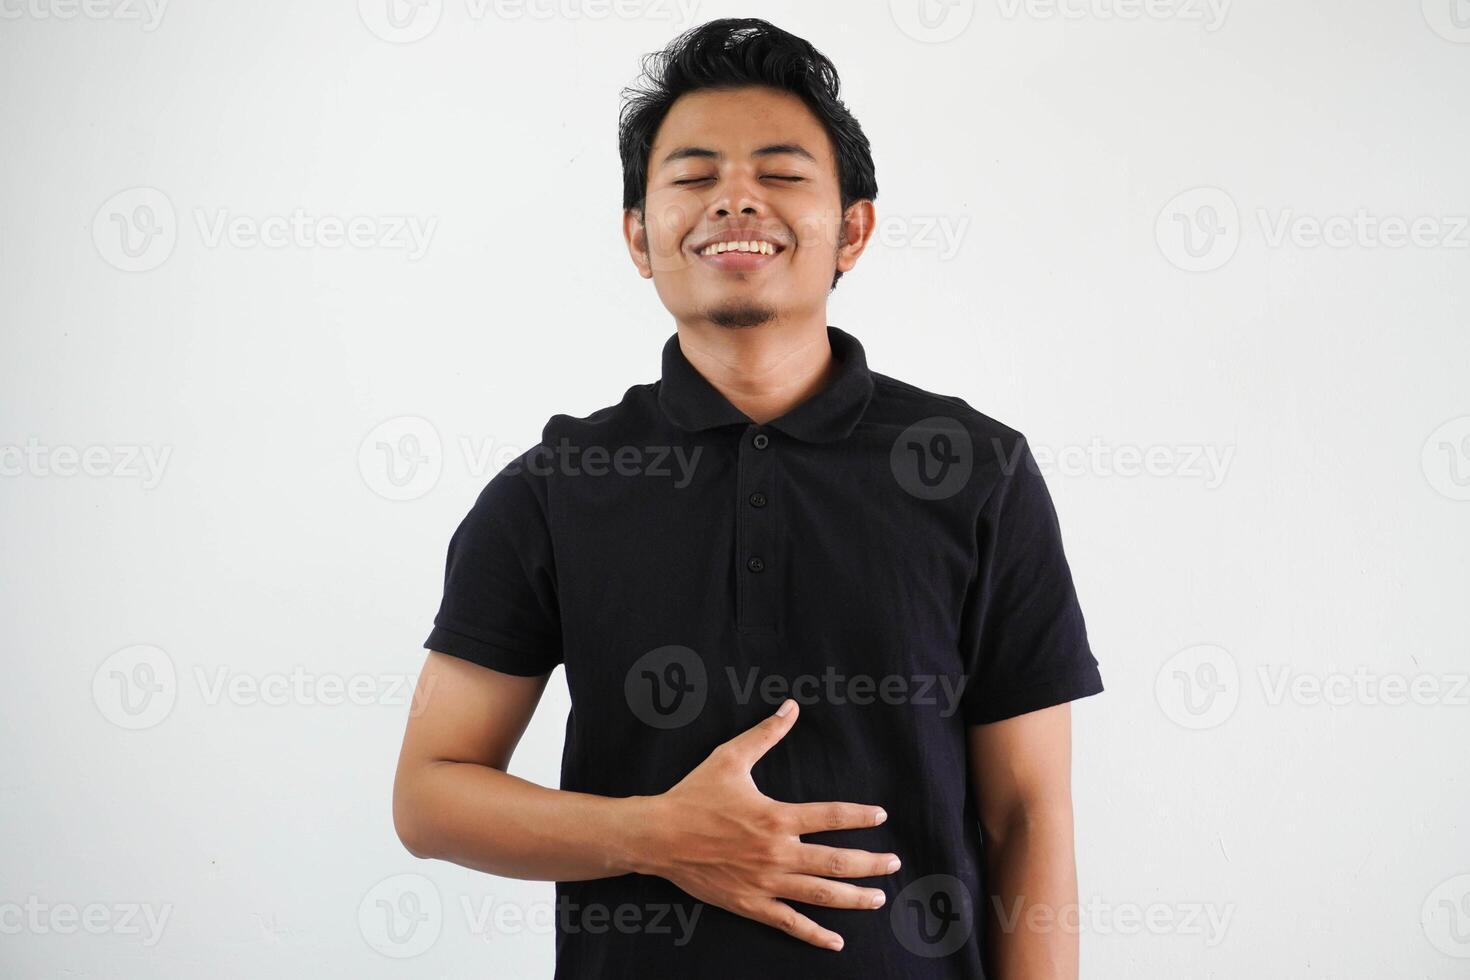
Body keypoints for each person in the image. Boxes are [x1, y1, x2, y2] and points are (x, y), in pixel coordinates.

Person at [392, 17, 1103, 979]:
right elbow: (430, 798)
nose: (734, 198)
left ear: (852, 226)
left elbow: (1029, 814)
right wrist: (658, 835)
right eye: (692, 177)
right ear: (640, 237)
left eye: (780, 173)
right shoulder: (555, 488)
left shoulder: (976, 470)